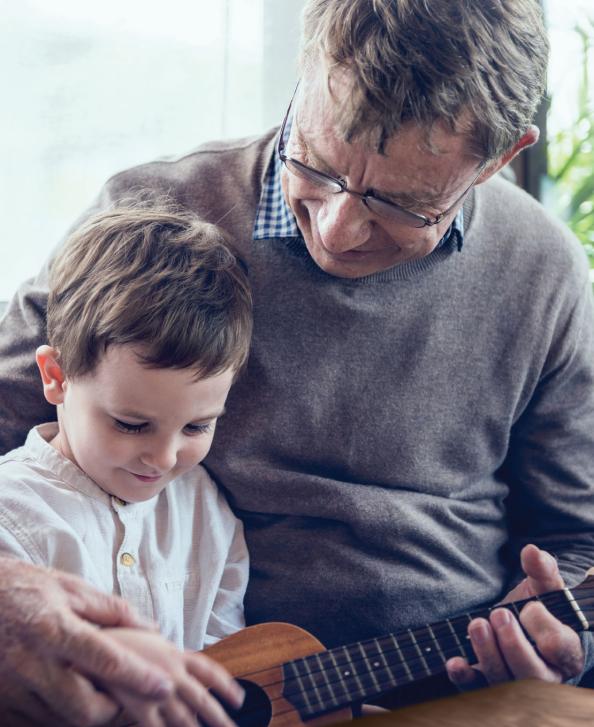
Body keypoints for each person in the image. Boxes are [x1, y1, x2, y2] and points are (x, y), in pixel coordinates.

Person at [1, 0, 593, 721]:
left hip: (452, 692)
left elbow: (575, 538)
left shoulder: (546, 273)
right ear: (304, 66)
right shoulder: (152, 218)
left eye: (400, 205)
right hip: (227, 693)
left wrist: (564, 631)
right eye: (314, 160)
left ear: (500, 157)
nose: (340, 229)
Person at [0, 205, 252, 726]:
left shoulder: (209, 509)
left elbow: (230, 675)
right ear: (56, 376)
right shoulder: (12, 514)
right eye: (131, 425)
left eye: (197, 427)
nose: (163, 458)